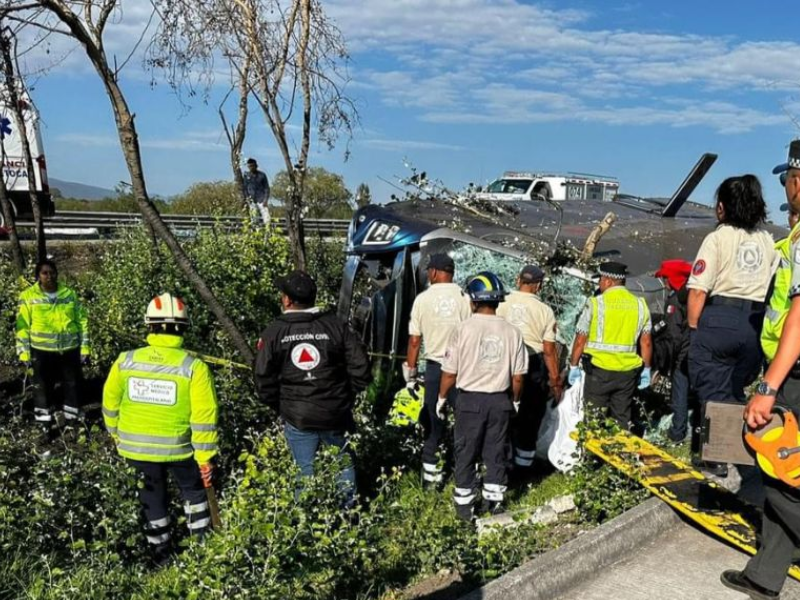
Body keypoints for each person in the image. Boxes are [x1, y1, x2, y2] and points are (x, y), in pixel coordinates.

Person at [720, 142, 800, 600]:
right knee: (782, 471)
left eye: (787, 180)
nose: (786, 190)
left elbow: (798, 316)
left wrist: (769, 386)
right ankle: (765, 574)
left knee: (780, 467)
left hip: (794, 374)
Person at [102, 293, 219, 567]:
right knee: (194, 496)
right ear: (183, 327)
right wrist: (205, 457)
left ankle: (161, 558)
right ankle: (201, 553)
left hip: (136, 451)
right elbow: (204, 417)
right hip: (180, 451)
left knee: (151, 501)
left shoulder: (125, 361)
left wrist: (118, 437)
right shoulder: (194, 367)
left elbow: (109, 404)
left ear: (149, 326)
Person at [254, 270, 371, 508]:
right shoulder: (336, 326)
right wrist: (345, 397)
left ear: (287, 300)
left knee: (304, 470)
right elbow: (362, 369)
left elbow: (262, 377)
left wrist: (280, 406)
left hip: (297, 416)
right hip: (335, 413)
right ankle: (348, 515)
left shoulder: (274, 332)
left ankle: (306, 520)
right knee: (342, 465)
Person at [687, 175, 777, 482]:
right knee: (735, 390)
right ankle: (741, 455)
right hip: (754, 322)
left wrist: (694, 328)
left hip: (719, 317)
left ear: (722, 208)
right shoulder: (767, 240)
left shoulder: (717, 238)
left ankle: (716, 461)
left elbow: (698, 290)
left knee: (712, 389)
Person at [439, 271, 527, 520]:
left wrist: (442, 398)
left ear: (474, 300)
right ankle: (495, 502)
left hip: (469, 401)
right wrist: (516, 400)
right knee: (496, 452)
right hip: (500, 400)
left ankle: (465, 508)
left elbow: (449, 372)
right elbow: (518, 377)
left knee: (466, 452)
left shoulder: (463, 329)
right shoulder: (513, 332)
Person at [403, 253, 472, 488]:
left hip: (435, 369)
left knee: (433, 423)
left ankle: (431, 479)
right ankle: (465, 474)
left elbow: (414, 340)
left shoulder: (422, 300)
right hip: (462, 370)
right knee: (463, 422)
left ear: (433, 272)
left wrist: (410, 373)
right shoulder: (465, 297)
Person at [567, 261, 652, 429]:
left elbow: (580, 340)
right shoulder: (640, 305)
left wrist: (573, 366)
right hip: (627, 373)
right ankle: (617, 452)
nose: (599, 284)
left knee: (593, 418)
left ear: (608, 281)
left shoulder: (595, 303)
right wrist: (647, 369)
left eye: (600, 280)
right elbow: (646, 342)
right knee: (621, 420)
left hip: (599, 371)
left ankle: (591, 455)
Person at [496, 264, 562, 471]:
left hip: (503, 363)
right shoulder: (544, 311)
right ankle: (523, 468)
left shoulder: (501, 303)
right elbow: (549, 350)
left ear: (518, 280)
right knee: (530, 416)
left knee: (503, 414)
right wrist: (555, 380)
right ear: (539, 285)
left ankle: (501, 462)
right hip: (532, 363)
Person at [16, 259, 90, 425]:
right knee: (42, 388)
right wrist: (24, 352)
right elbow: (22, 326)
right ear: (38, 276)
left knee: (72, 385)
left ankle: (72, 423)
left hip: (69, 350)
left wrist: (85, 348)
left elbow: (82, 321)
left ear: (57, 274)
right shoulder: (28, 296)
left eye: (52, 272)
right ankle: (44, 424)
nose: (49, 276)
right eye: (44, 273)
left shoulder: (69, 294)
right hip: (41, 351)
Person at [653, 259, 693, 443]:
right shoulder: (691, 295)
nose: (664, 282)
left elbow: (674, 333)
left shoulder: (675, 299)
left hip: (682, 355)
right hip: (695, 350)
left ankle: (678, 432)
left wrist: (669, 360)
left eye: (665, 278)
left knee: (680, 391)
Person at [761, 201, 800, 366]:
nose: (791, 219)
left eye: (792, 214)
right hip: (779, 346)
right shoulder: (784, 245)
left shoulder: (790, 245)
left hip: (786, 349)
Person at [243, 157, 270, 226]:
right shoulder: (246, 176)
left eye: (252, 166)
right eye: (249, 166)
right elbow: (245, 188)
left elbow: (266, 188)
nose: (251, 167)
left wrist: (265, 200)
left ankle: (267, 231)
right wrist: (247, 199)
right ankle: (255, 231)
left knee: (266, 217)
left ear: (256, 166)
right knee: (254, 218)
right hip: (251, 200)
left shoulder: (262, 175)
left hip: (261, 199)